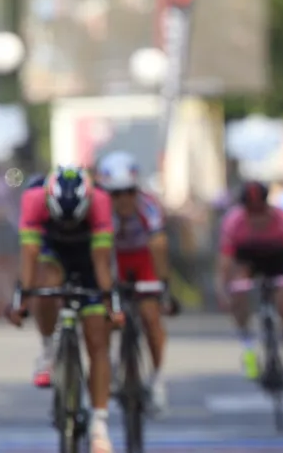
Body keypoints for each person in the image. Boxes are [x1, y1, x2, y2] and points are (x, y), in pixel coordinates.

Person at [8, 166, 123, 453]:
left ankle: (99, 426)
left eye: (75, 221)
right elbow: (29, 256)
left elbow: (101, 262)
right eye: (64, 221)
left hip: (88, 258)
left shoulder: (100, 202)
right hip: (53, 252)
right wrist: (22, 299)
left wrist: (111, 304)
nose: (69, 226)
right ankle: (48, 349)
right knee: (45, 285)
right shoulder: (34, 198)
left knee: (97, 338)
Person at [96, 151, 172, 413]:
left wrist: (163, 285)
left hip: (142, 259)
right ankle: (107, 366)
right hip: (112, 258)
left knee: (151, 317)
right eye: (115, 194)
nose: (123, 199)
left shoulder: (148, 205)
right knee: (103, 316)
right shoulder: (100, 209)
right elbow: (98, 252)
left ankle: (158, 378)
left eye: (129, 191)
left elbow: (158, 244)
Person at [215, 180, 283, 399]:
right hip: (248, 260)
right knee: (238, 291)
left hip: (277, 260)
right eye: (251, 211)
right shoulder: (234, 222)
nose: (256, 217)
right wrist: (223, 289)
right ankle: (248, 346)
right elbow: (225, 262)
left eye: (261, 211)